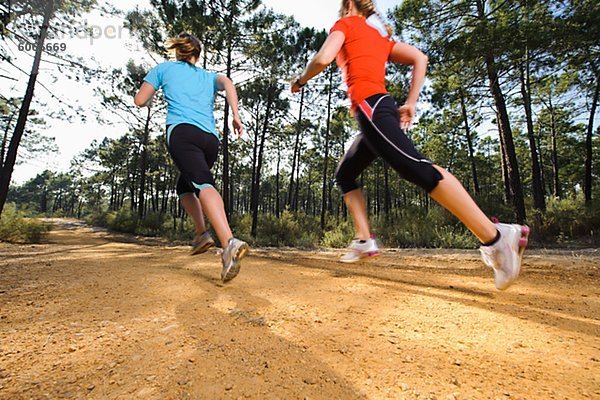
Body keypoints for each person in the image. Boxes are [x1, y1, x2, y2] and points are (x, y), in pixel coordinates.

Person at [290, 0, 529, 290]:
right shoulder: (379, 38)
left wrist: (300, 80)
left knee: (415, 168)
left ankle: (495, 237)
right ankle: (365, 240)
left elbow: (323, 58)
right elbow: (420, 58)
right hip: (375, 112)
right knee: (345, 174)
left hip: (371, 108)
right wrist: (411, 102)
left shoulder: (344, 25)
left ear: (349, 4)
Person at [134, 32, 249, 283]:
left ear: (178, 52)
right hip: (210, 140)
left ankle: (228, 242)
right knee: (185, 186)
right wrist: (236, 115)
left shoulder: (163, 69)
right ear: (197, 55)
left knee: (203, 183)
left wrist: (151, 99)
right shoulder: (208, 76)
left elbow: (140, 100)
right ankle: (202, 235)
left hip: (182, 133)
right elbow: (229, 82)